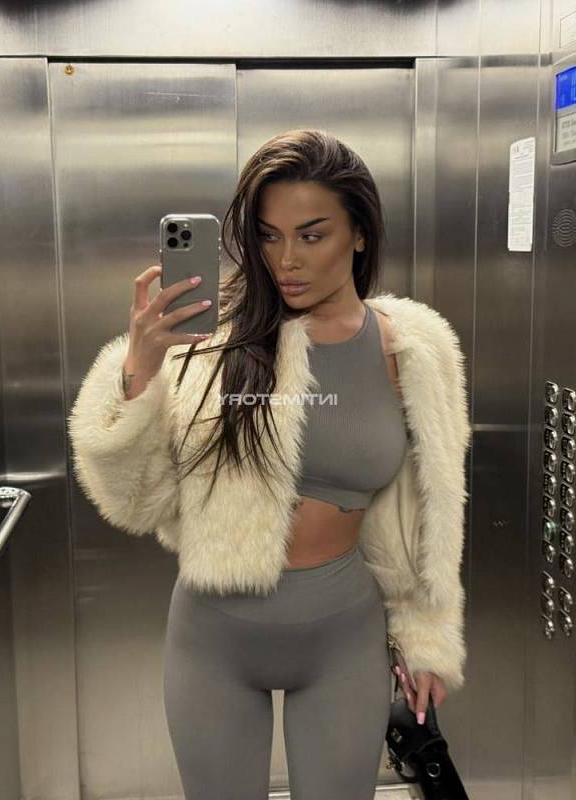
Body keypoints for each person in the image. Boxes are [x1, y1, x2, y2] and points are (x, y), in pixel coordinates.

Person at [67, 128, 471, 800]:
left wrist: (425, 636)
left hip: (344, 636)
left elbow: (428, 516)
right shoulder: (208, 343)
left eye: (312, 235)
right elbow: (135, 502)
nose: (286, 259)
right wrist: (138, 373)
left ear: (359, 234)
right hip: (213, 639)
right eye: (267, 235)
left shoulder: (414, 351)